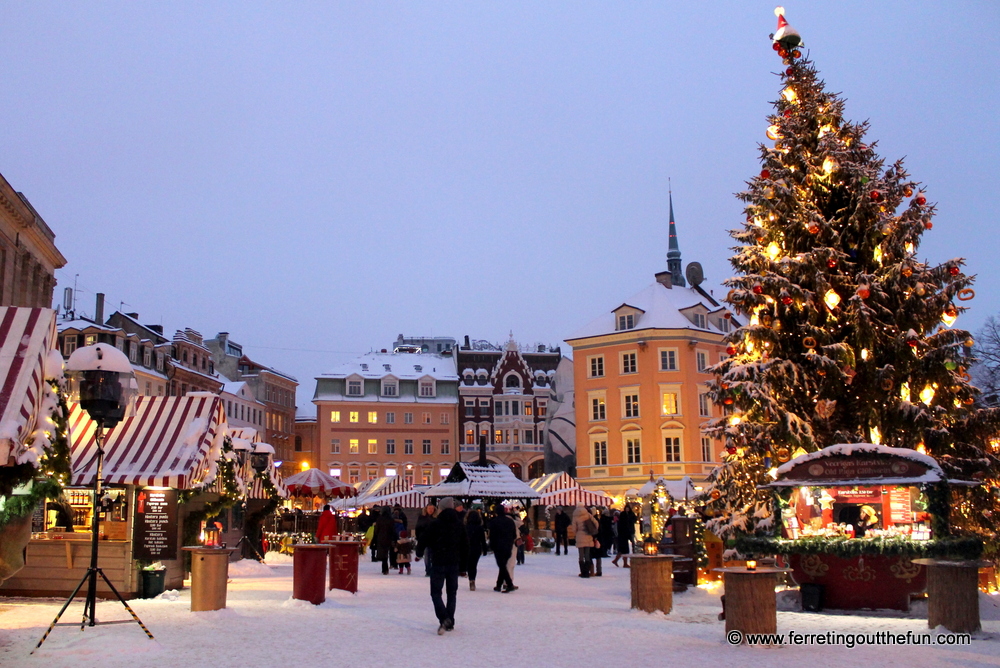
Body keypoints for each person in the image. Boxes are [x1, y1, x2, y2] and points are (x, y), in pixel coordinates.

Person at [420, 497, 469, 635]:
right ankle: (450, 620)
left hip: (438, 562)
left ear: (441, 508)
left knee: (436, 592)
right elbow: (465, 546)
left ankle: (444, 617)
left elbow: (424, 538)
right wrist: (463, 567)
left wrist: (418, 552)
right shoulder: (459, 525)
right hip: (454, 563)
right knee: (451, 593)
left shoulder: (435, 524)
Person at [488, 505, 517, 592]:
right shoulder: (510, 521)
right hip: (508, 546)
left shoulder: (494, 522)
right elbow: (514, 535)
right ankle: (498, 585)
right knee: (503, 565)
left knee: (502, 565)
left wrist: (491, 545)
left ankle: (509, 584)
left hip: (498, 546)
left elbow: (492, 536)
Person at [571, 503, 599, 578]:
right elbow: (596, 523)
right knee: (587, 555)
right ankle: (587, 572)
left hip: (580, 536)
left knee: (581, 556)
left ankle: (583, 572)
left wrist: (577, 533)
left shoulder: (575, 516)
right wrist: (593, 530)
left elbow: (573, 528)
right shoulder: (587, 514)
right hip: (588, 536)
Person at [464, 509, 488, 591]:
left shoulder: (465, 527)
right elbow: (483, 540)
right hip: (476, 548)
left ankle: (470, 577)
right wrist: (485, 550)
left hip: (467, 548)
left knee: (468, 564)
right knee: (473, 565)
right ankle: (472, 580)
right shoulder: (480, 528)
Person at [372, 506, 396, 575]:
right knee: (389, 552)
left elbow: (376, 529)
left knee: (383, 553)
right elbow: (393, 529)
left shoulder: (379, 519)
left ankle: (384, 568)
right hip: (389, 538)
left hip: (381, 538)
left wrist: (377, 535)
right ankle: (391, 564)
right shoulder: (391, 519)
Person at [415, 503, 437, 577]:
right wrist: (419, 537)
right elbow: (417, 528)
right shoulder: (422, 517)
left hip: (435, 540)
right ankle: (428, 570)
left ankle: (434, 570)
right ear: (426, 509)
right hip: (425, 540)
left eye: (432, 508)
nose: (430, 510)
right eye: (429, 508)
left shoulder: (436, 518)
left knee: (434, 556)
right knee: (427, 556)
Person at [593, 507, 614, 577]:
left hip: (602, 535)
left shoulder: (600, 519)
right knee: (596, 553)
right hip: (602, 535)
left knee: (606, 545)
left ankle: (595, 570)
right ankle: (595, 570)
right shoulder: (601, 519)